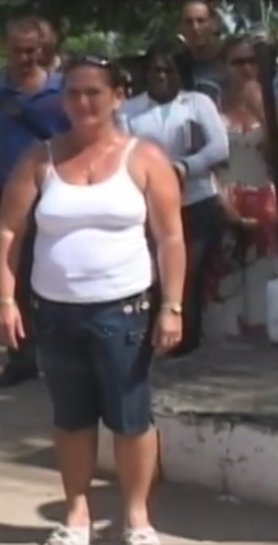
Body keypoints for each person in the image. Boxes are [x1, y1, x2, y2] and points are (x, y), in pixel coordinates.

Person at [0, 55, 186, 545]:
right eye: (73, 92)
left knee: (131, 419)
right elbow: (9, 231)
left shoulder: (145, 158)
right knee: (72, 418)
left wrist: (173, 305)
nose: (82, 102)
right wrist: (4, 299)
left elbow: (170, 238)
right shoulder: (41, 157)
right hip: (54, 314)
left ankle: (138, 519)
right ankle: (76, 515)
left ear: (117, 95)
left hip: (124, 312)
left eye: (93, 92)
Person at [0, 15, 70, 388]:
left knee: (57, 271)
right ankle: (22, 356)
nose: (25, 58)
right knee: (18, 275)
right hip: (11, 195)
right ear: (6, 50)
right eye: (17, 51)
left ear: (42, 50)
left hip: (55, 190)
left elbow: (76, 132)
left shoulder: (60, 90)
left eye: (32, 51)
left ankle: (61, 354)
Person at [120, 38, 229, 359]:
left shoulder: (198, 103)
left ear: (182, 72)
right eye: (156, 69)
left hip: (195, 201)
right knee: (154, 274)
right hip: (148, 205)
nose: (162, 75)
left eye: (169, 69)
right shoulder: (129, 110)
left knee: (186, 277)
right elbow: (124, 151)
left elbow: (218, 147)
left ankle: (186, 347)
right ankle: (152, 344)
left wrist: (183, 167)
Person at [206, 35, 277, 338]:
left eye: (252, 61)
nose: (246, 68)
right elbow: (207, 162)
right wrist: (223, 203)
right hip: (225, 196)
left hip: (267, 195)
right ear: (224, 66)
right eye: (238, 62)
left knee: (266, 279)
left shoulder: (273, 101)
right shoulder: (211, 105)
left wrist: (264, 111)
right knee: (228, 281)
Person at [179, 0, 224, 103]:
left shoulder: (231, 60)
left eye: (201, 21)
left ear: (214, 24)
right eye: (189, 22)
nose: (195, 28)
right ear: (181, 27)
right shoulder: (175, 65)